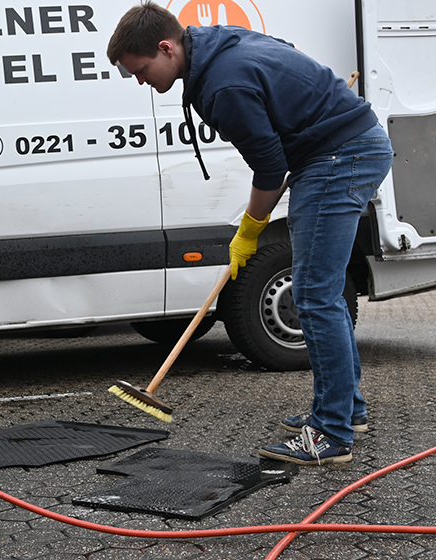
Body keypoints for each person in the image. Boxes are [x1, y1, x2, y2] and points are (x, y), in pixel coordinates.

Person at [107, 2, 392, 466]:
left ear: (166, 47)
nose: (141, 82)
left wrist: (250, 230)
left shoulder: (224, 83)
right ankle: (346, 410)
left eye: (140, 70)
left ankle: (332, 433)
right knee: (320, 292)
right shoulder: (217, 44)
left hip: (340, 158)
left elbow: (270, 167)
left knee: (314, 295)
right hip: (339, 151)